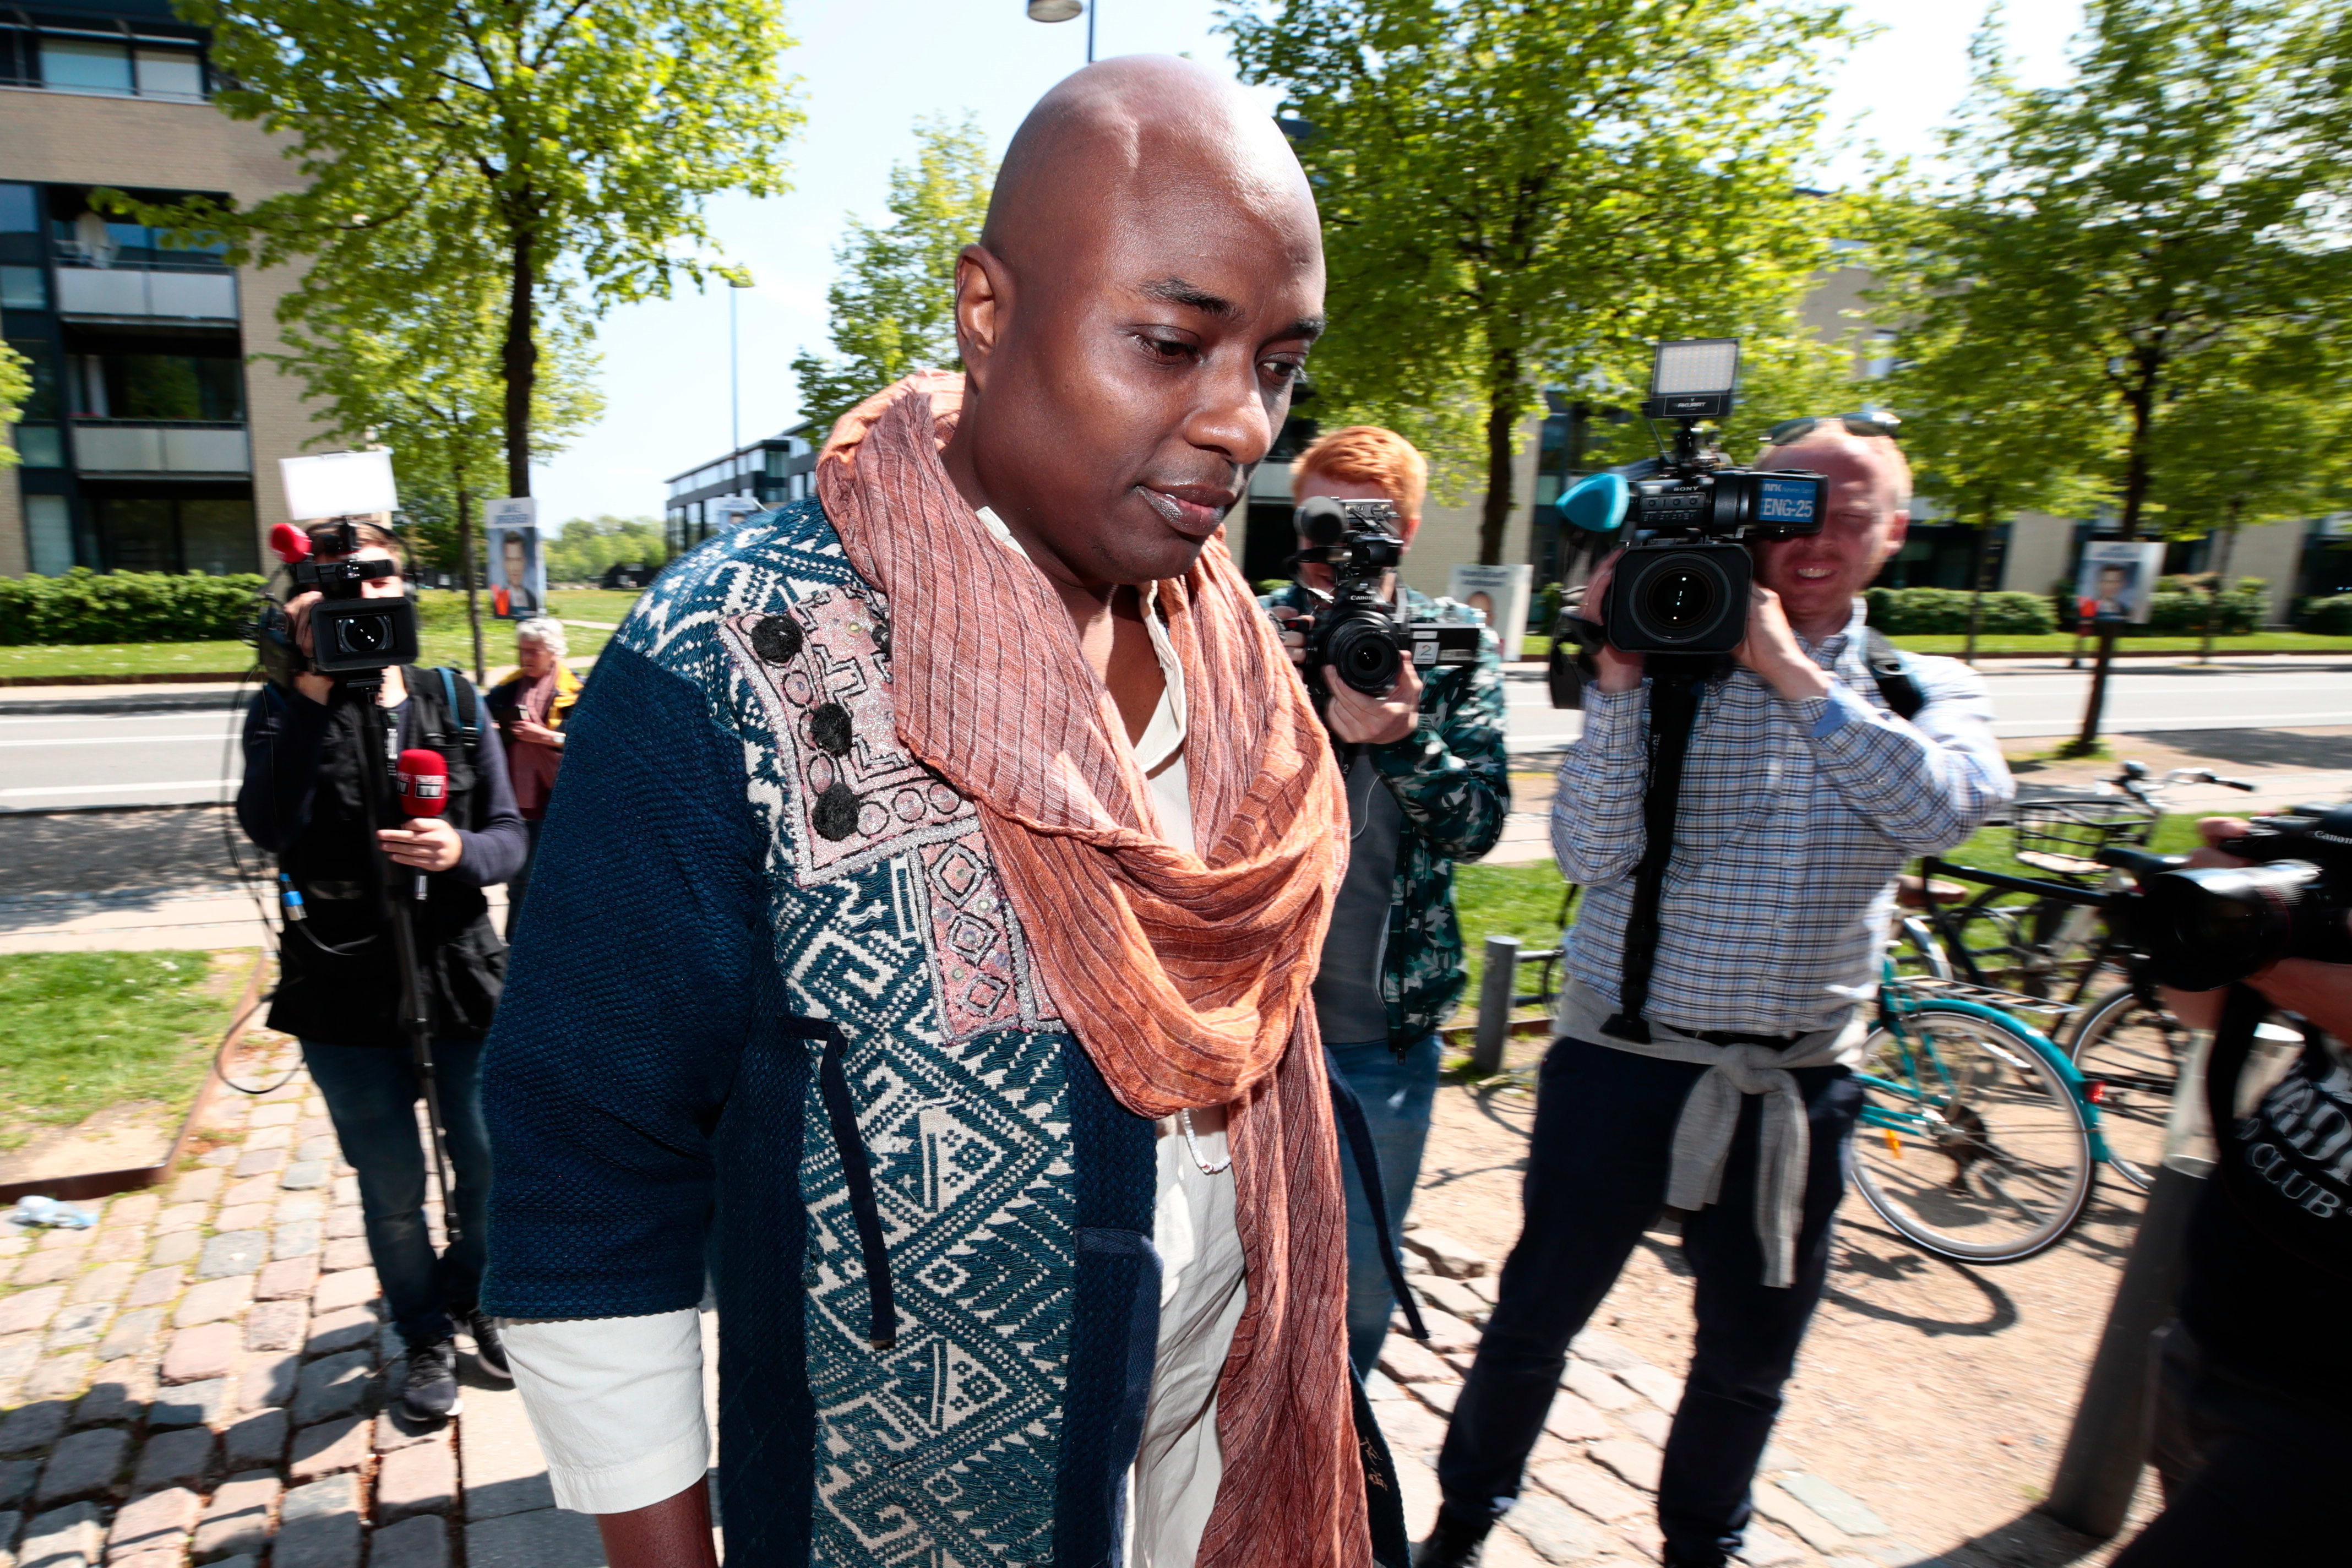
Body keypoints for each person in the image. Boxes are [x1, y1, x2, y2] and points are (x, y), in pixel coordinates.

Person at [480, 58, 1405, 1568]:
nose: (1244, 423)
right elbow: (587, 1161)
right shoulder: (726, 662)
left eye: (1281, 365)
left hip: (1219, 1469)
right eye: (1173, 342)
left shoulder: (1245, 663)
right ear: (987, 308)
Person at [1417, 424, 2013, 1568]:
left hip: (1795, 1082)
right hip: (1621, 1062)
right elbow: (1589, 853)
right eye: (1796, 510)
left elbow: (1943, 811)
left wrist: (1794, 673)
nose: (1819, 538)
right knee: (1533, 1319)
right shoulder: (1671, 659)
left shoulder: (1918, 687)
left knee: (1747, 1358)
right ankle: (1463, 1520)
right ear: (1754, 520)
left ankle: (1701, 1544)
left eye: (1852, 514)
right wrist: (1620, 678)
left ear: (1895, 533)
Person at [236, 520, 526, 1423]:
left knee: (486, 1165)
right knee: (392, 1188)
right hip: (342, 993)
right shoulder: (283, 707)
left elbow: (510, 837)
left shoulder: (454, 698)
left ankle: (477, 1294)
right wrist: (311, 692)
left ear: (403, 587)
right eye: (335, 582)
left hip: (459, 977)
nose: (360, 595)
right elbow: (267, 827)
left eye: (376, 575)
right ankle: (422, 1330)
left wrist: (461, 851)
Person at [1262, 426, 1508, 1378]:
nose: (1336, 550)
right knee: (1231, 1279)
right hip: (1252, 1027)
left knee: (1361, 1290)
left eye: (1362, 526)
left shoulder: (1453, 644)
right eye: (1318, 524)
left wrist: (1404, 737)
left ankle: (1340, 1450)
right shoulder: (1246, 628)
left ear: (1404, 530)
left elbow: (1479, 825)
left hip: (1384, 1034)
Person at [2104, 820, 2352, 1566]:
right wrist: (2221, 917)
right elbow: (2200, 1011)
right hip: (2212, 1337)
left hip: (2325, 1415)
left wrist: (2266, 958)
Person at [483, 617, 578, 921]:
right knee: (519, 882)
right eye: (522, 650)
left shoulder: (577, 691)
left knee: (551, 884)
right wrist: (493, 731)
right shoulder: (507, 688)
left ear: (553, 651)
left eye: (534, 651)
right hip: (515, 801)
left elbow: (591, 743)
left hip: (559, 801)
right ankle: (515, 943)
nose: (525, 658)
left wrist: (547, 737)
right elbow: (479, 721)